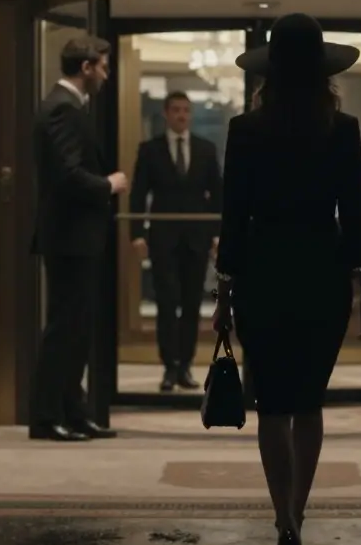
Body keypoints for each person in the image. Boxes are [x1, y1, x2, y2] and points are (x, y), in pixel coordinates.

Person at [212, 13, 361, 545]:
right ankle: (297, 516)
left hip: (263, 272)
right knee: (308, 403)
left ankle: (281, 517)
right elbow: (354, 217)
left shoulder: (245, 130)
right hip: (321, 274)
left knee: (272, 405)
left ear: (270, 73)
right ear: (322, 72)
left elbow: (232, 223)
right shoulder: (343, 127)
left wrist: (223, 294)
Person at [29, 36, 129, 441]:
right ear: (86, 67)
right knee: (64, 328)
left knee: (78, 327)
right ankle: (46, 416)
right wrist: (109, 184)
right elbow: (68, 176)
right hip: (70, 237)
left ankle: (73, 411)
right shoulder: (61, 110)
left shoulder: (70, 108)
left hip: (79, 237)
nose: (106, 74)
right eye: (103, 66)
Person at [129, 92, 224, 392]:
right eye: (177, 110)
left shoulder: (205, 150)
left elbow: (218, 195)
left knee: (193, 304)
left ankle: (186, 366)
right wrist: (136, 233)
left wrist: (218, 233)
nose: (182, 116)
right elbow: (138, 193)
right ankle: (169, 367)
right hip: (163, 238)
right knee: (167, 303)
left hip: (197, 238)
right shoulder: (150, 150)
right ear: (166, 114)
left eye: (186, 111)